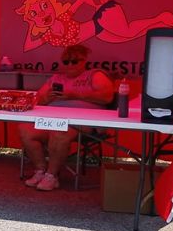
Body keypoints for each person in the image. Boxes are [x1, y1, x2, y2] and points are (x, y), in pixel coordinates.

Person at [18, 44, 114, 191]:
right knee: (26, 129)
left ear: (84, 61)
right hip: (53, 120)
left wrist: (74, 95)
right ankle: (40, 170)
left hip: (85, 122)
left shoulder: (95, 75)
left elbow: (107, 97)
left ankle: (52, 175)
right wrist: (47, 98)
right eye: (66, 61)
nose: (70, 65)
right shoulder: (56, 78)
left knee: (60, 131)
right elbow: (37, 100)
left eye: (75, 61)